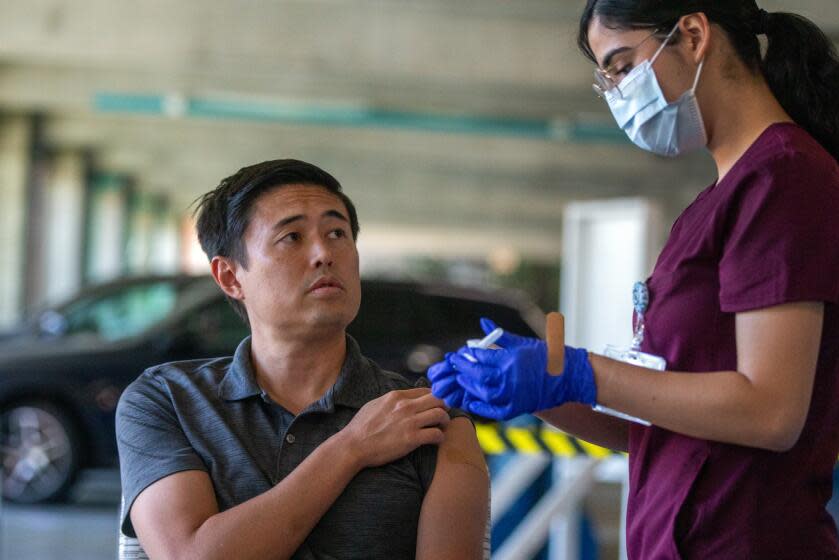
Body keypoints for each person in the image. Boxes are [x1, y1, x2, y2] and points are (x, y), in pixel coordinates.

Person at [429, 1, 839, 558]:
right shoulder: (711, 205)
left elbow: (770, 412)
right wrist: (544, 389)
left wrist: (580, 371)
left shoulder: (784, 177)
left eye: (623, 67)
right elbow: (653, 429)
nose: (620, 96)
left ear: (693, 35)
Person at [116, 159, 488, 560]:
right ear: (230, 277)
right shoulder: (167, 400)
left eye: (337, 233)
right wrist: (351, 447)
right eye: (292, 237)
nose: (324, 253)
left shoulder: (429, 420)